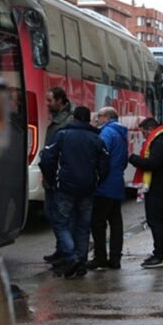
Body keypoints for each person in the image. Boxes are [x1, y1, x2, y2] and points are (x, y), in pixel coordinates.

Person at [39, 106, 110, 278]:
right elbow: (105, 164)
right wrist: (97, 180)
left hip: (65, 186)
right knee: (83, 226)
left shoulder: (62, 135)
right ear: (88, 119)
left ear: (74, 118)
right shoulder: (96, 138)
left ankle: (71, 257)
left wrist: (52, 179)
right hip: (87, 188)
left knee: (61, 223)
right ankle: (81, 261)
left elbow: (47, 159)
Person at [128, 118, 163, 269]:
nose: (143, 136)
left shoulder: (160, 142)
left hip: (158, 187)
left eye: (143, 132)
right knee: (157, 221)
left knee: (156, 221)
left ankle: (160, 255)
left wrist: (133, 158)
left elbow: (153, 164)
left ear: (149, 129)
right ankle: (159, 252)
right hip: (161, 186)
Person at [88, 107, 128, 270]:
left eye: (99, 116)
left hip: (104, 184)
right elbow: (124, 160)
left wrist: (96, 177)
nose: (97, 119)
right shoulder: (121, 133)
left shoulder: (106, 133)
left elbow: (100, 156)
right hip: (117, 182)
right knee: (116, 221)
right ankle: (115, 257)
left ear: (106, 117)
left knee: (98, 222)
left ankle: (100, 257)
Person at [43, 87, 74, 264]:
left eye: (50, 100)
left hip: (58, 176)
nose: (47, 104)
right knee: (52, 213)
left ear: (60, 100)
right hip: (52, 175)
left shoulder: (66, 121)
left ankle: (68, 253)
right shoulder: (58, 119)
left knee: (61, 216)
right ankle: (61, 249)